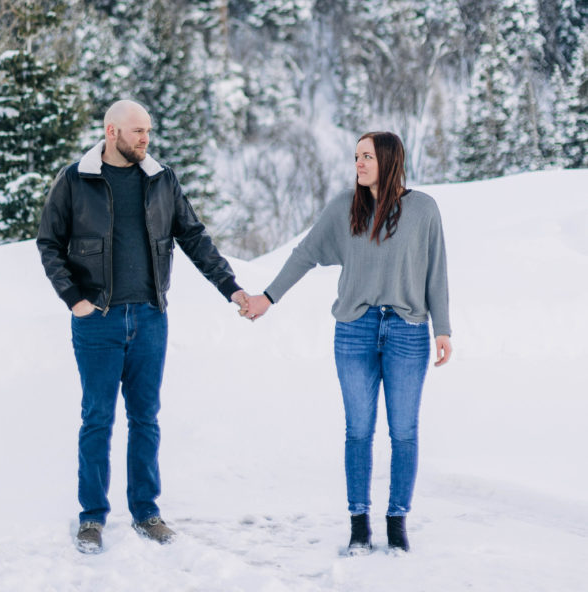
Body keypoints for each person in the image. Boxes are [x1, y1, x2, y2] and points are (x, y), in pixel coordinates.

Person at [37, 99, 249, 554]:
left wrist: (230, 287)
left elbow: (194, 236)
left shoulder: (161, 179)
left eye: (148, 131)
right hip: (98, 320)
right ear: (111, 132)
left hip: (151, 317)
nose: (146, 138)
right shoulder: (76, 180)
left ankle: (146, 512)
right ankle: (92, 517)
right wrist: (73, 299)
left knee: (145, 419)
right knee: (97, 418)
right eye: (138, 131)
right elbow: (49, 243)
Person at [244, 131, 451, 554]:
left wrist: (442, 328)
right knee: (358, 430)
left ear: (390, 160)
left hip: (408, 332)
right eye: (356, 156)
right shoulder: (345, 207)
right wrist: (268, 297)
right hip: (355, 329)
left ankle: (396, 523)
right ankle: (359, 525)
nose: (358, 164)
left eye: (367, 157)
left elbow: (436, 271)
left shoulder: (424, 209)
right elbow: (305, 253)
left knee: (404, 431)